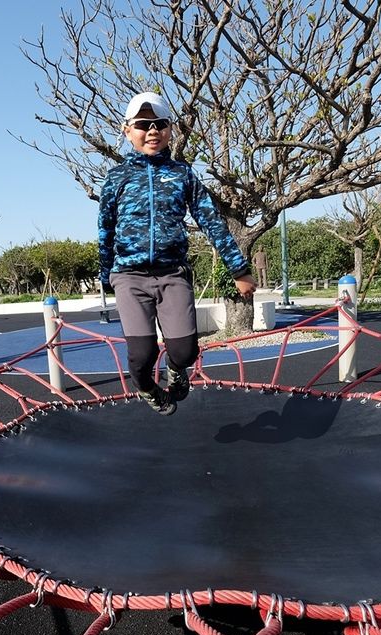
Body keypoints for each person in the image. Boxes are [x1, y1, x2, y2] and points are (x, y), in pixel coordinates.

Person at [98, 91, 257, 416]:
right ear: (127, 130)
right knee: (140, 357)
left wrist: (239, 270)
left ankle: (176, 369)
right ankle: (147, 388)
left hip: (173, 275)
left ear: (170, 130)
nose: (153, 131)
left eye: (160, 124)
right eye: (143, 125)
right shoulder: (117, 178)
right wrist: (105, 276)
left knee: (184, 351)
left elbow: (211, 222)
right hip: (130, 277)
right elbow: (105, 229)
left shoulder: (183, 175)